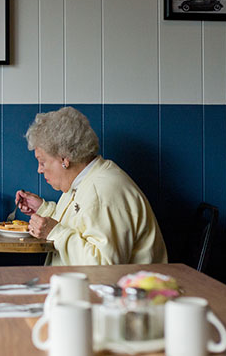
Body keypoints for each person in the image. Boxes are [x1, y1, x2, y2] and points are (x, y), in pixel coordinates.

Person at [15, 106, 167, 266]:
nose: (39, 170)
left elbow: (103, 267)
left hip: (122, 289)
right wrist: (43, 210)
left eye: (42, 162)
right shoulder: (86, 179)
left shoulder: (104, 191)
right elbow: (80, 223)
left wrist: (54, 233)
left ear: (64, 159)